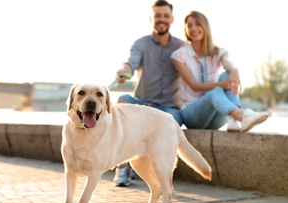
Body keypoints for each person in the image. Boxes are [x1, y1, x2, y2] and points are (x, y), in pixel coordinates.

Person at [112, 0, 184, 187]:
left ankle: (161, 177)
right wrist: (123, 70)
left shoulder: (182, 47)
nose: (162, 19)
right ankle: (123, 166)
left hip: (169, 107)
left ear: (172, 19)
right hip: (142, 103)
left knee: (170, 122)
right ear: (151, 18)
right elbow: (130, 63)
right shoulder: (141, 44)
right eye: (158, 15)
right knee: (123, 102)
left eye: (165, 16)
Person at [171, 11, 268, 132]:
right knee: (216, 90)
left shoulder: (218, 52)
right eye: (189, 25)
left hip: (216, 118)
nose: (193, 28)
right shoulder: (179, 55)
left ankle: (232, 121)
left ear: (205, 27)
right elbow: (194, 86)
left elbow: (226, 62)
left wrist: (234, 70)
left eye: (197, 24)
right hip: (192, 116)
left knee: (227, 74)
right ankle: (241, 115)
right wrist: (219, 85)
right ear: (186, 30)